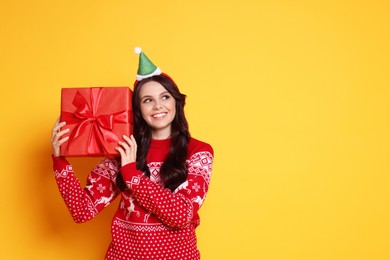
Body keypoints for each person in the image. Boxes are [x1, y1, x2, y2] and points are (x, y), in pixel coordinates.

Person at [50, 48, 214, 260]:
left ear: (176, 102)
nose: (158, 106)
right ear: (137, 109)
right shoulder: (123, 150)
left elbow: (181, 214)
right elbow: (82, 211)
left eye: (165, 97)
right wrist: (60, 159)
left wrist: (131, 173)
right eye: (147, 100)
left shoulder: (199, 151)